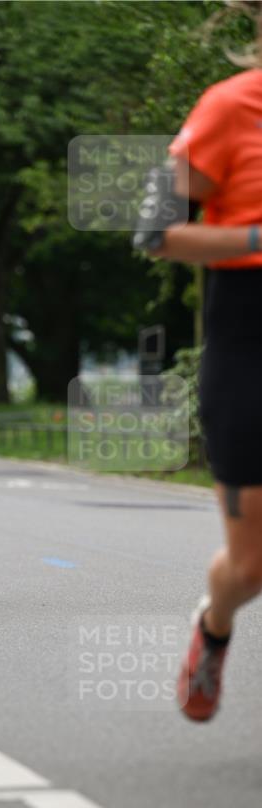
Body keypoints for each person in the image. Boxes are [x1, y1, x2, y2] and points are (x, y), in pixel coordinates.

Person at [138, 49, 262, 720]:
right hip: (247, 349)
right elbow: (153, 232)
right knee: (249, 569)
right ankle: (214, 626)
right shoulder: (227, 106)